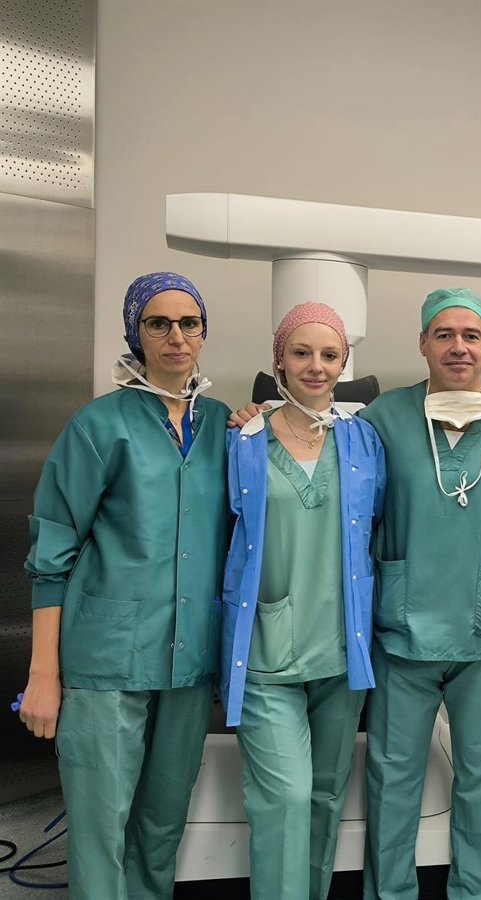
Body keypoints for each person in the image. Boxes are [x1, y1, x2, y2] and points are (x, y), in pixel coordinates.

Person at [21, 273, 230, 899]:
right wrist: (43, 675)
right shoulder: (98, 426)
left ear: (203, 333)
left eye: (189, 323)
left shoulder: (224, 425)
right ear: (135, 333)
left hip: (188, 661)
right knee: (100, 830)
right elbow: (51, 556)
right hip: (105, 660)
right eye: (157, 323)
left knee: (162, 827)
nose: (176, 336)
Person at [360, 288, 481, 900]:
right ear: (422, 343)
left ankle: (474, 892)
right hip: (403, 628)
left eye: (470, 335)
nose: (458, 346)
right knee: (393, 776)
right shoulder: (382, 419)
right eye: (444, 334)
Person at [220, 302, 386, 900]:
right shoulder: (244, 438)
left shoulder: (363, 440)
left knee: (323, 796)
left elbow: (378, 527)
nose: (316, 366)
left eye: (329, 355)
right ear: (279, 361)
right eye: (301, 353)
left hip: (341, 651)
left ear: (343, 364)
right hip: (266, 649)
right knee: (285, 796)